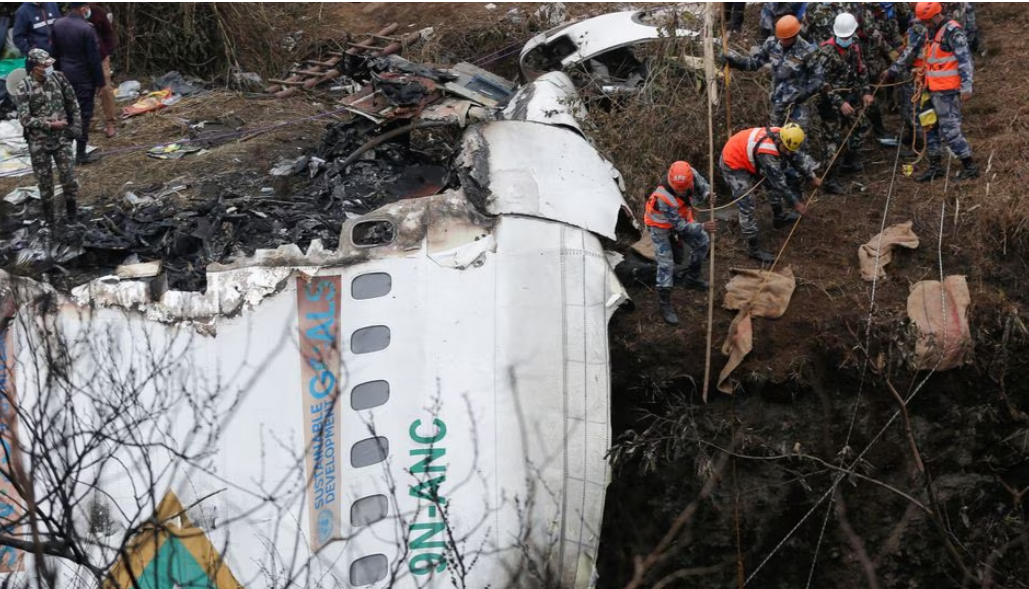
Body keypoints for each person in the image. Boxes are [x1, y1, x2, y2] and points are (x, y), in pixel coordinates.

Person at [719, 124, 820, 263]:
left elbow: (796, 157)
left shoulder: (787, 136)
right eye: (786, 149)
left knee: (772, 181)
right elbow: (779, 184)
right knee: (747, 203)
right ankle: (753, 249)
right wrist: (796, 203)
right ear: (779, 141)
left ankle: (779, 217)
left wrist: (811, 176)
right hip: (733, 162)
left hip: (750, 156)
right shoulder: (767, 152)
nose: (788, 153)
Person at [644, 161, 717, 326]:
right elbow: (681, 227)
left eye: (684, 188)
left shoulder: (689, 173)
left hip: (682, 215)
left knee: (703, 241)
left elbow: (703, 184)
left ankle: (692, 278)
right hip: (660, 226)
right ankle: (665, 303)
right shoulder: (662, 197)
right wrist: (702, 226)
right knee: (666, 263)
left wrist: (707, 194)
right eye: (678, 189)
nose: (681, 191)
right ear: (671, 181)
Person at [911, 1, 977, 181]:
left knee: (950, 131)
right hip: (931, 88)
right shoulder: (932, 31)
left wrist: (966, 85)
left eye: (926, 20)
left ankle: (969, 166)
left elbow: (965, 60)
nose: (924, 24)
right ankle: (935, 167)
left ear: (934, 16)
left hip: (947, 91)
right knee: (929, 125)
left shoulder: (953, 32)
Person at [721, 15, 824, 130]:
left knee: (798, 141)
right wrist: (736, 62)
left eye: (785, 39)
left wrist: (806, 92)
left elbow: (818, 78)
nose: (781, 41)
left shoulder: (807, 51)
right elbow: (755, 63)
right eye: (780, 37)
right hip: (777, 102)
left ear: (794, 36)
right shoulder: (771, 44)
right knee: (774, 138)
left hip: (798, 105)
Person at [16, 48, 82, 227]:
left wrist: (76, 125)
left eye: (49, 64)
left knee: (68, 177)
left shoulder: (59, 78)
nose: (48, 68)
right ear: (34, 67)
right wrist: (49, 124)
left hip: (62, 139)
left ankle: (72, 215)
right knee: (45, 183)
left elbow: (73, 103)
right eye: (44, 65)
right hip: (39, 143)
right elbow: (25, 119)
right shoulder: (25, 87)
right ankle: (50, 221)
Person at [812, 12, 874, 194]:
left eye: (848, 36)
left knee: (861, 126)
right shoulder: (824, 52)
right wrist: (839, 103)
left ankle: (849, 160)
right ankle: (830, 180)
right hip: (829, 104)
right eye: (843, 37)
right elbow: (821, 83)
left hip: (850, 98)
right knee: (833, 141)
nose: (846, 39)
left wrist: (866, 92)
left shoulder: (854, 47)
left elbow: (861, 70)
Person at [52, 1, 105, 164]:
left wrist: (57, 73)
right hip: (83, 78)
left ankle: (65, 152)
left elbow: (54, 53)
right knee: (83, 115)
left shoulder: (58, 24)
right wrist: (100, 83)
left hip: (64, 76)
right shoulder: (86, 29)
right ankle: (80, 154)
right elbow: (94, 59)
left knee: (67, 113)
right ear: (83, 9)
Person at [88, 3, 117, 138]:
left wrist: (105, 52)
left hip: (100, 57)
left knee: (105, 89)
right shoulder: (72, 14)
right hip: (83, 59)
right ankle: (89, 121)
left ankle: (110, 122)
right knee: (86, 89)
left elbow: (108, 33)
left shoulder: (98, 12)